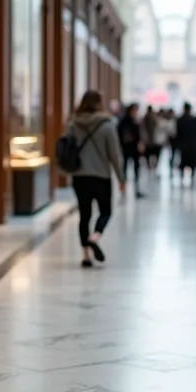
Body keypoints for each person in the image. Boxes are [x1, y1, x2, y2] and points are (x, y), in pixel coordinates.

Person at [65, 90, 126, 267]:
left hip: (79, 177)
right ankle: (95, 236)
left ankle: (85, 256)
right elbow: (115, 154)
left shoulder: (73, 124)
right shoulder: (107, 125)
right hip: (101, 176)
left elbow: (66, 148)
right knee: (105, 211)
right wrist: (121, 178)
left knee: (84, 215)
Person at [117, 103, 145, 197]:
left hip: (131, 148)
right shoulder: (127, 122)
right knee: (127, 169)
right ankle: (124, 188)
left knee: (133, 168)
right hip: (128, 148)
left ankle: (132, 189)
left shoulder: (131, 121)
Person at [175, 102, 196, 186]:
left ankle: (181, 177)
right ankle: (191, 178)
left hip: (183, 144)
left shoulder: (180, 120)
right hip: (191, 144)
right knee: (191, 162)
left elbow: (177, 133)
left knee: (183, 161)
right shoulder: (193, 119)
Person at [142, 106, 161, 172]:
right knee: (152, 154)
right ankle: (152, 165)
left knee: (150, 154)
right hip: (151, 140)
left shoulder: (149, 118)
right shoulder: (151, 118)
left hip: (151, 140)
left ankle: (151, 165)